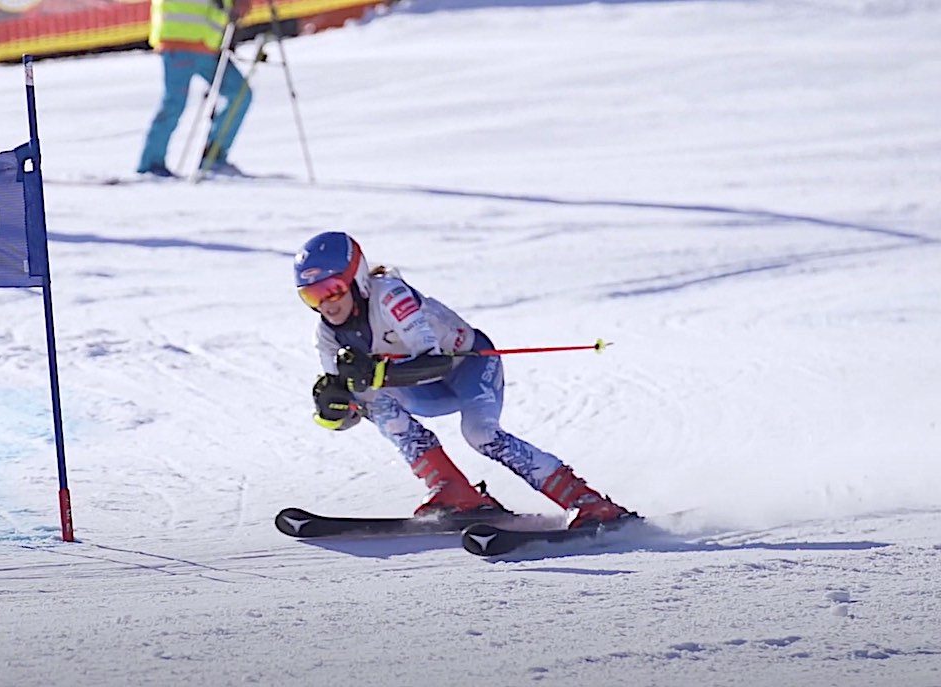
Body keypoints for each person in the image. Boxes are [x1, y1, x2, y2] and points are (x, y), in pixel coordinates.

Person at [294, 231, 637, 529]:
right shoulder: (326, 335)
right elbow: (351, 408)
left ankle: (587, 501)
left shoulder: (389, 296)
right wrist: (334, 408)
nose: (326, 304)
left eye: (333, 290)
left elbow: (435, 362)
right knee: (370, 398)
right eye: (311, 295)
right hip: (422, 391)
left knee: (481, 434)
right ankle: (453, 491)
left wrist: (376, 375)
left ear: (358, 280)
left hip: (469, 368)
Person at [137, 0, 254, 177]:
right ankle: (151, 164)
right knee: (174, 103)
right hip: (178, 40)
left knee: (239, 93)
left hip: (209, 44)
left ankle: (214, 157)